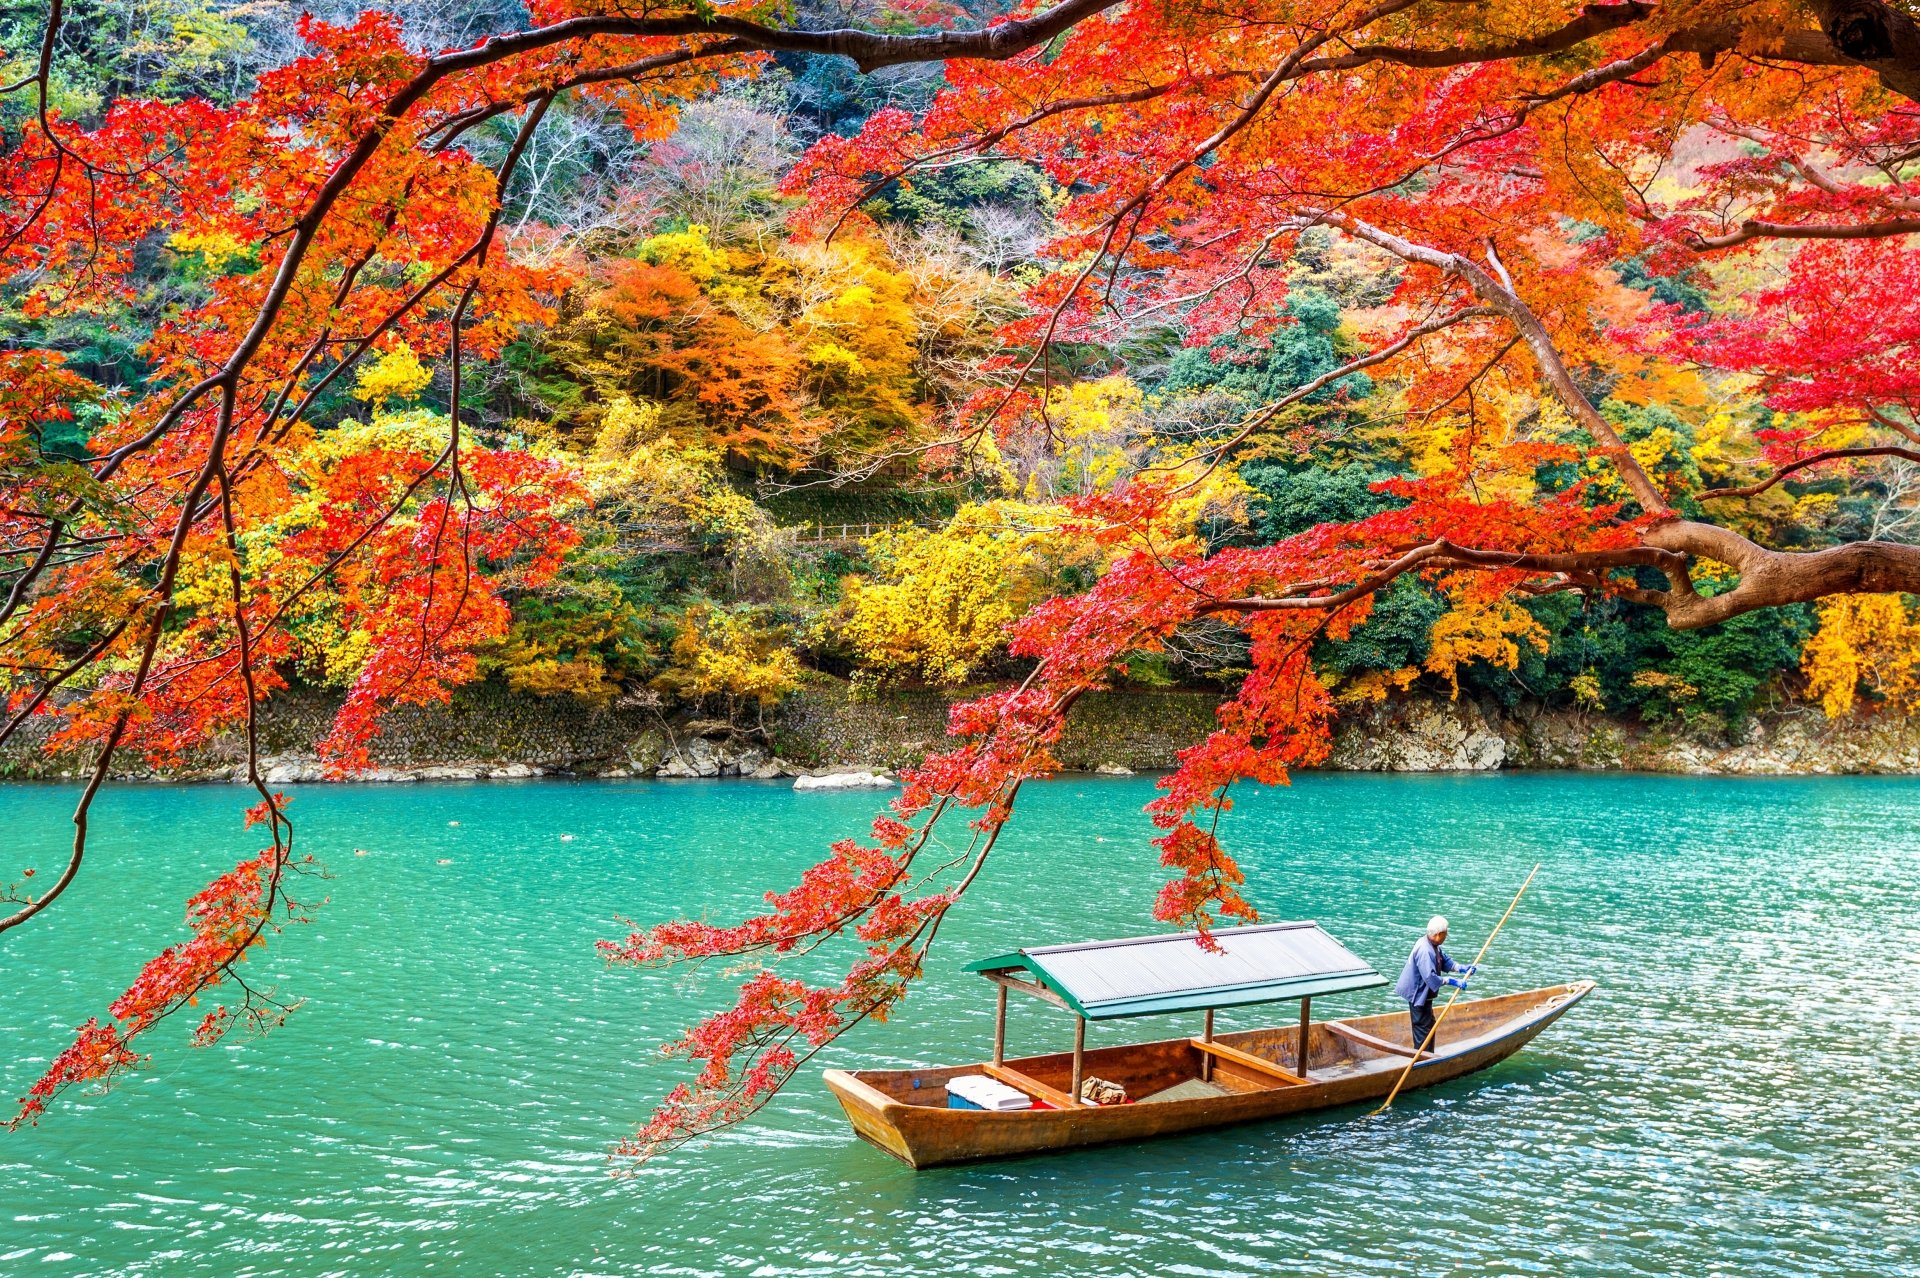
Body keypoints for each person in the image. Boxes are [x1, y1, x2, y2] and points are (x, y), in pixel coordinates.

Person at [1392, 915, 1477, 1056]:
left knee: (1429, 1024)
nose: (1447, 936)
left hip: (1424, 995)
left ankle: (1428, 1055)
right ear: (1438, 934)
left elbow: (1444, 961)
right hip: (1417, 994)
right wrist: (1451, 981)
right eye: (1445, 933)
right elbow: (1430, 977)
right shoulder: (1425, 950)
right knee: (1423, 1028)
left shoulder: (1433, 944)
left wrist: (1461, 968)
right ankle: (1422, 1058)